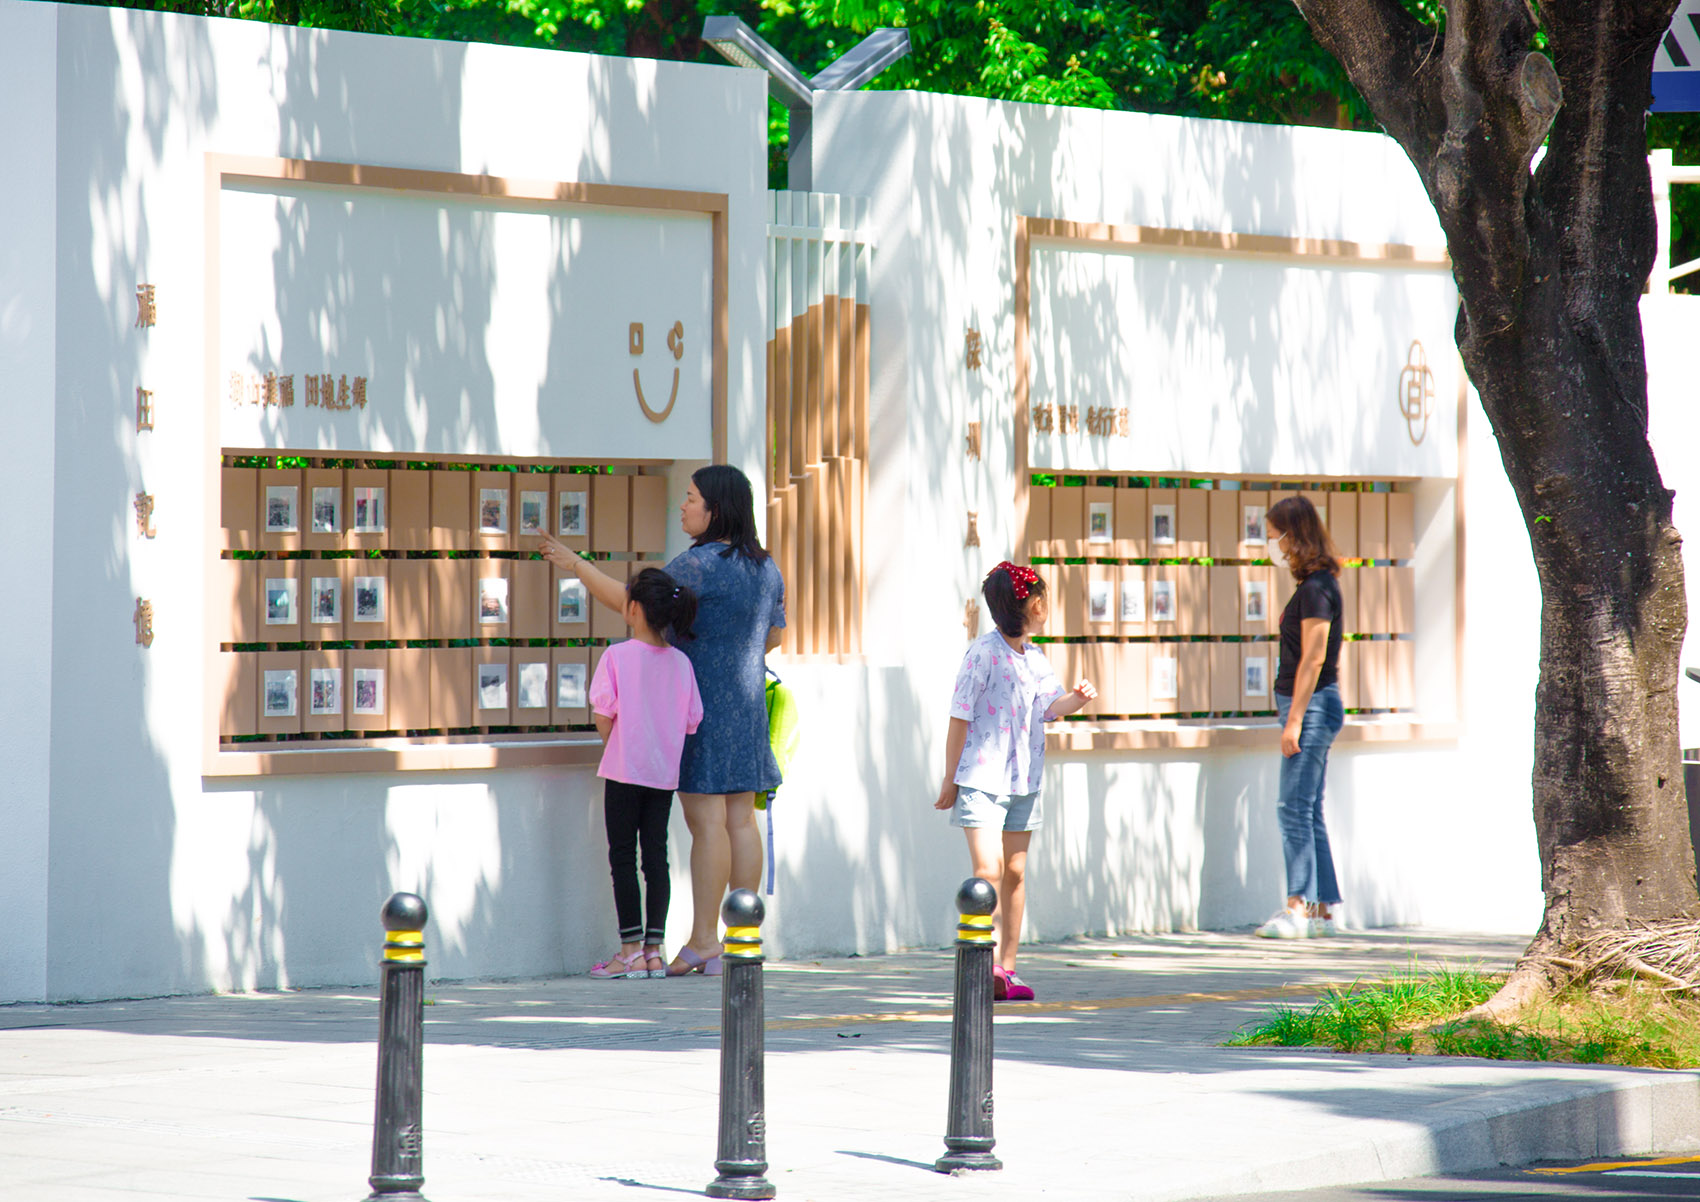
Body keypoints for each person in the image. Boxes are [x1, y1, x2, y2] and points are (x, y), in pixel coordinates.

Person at [542, 466, 785, 977]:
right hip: (748, 705)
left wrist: (575, 564)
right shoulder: (765, 568)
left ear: (714, 508)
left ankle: (702, 941)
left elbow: (635, 604)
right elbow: (775, 637)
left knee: (706, 823)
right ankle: (740, 938)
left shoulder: (697, 565)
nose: (683, 507)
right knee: (742, 819)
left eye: (691, 499)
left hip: (697, 707)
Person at [934, 562, 1096, 1000]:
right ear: (1032, 604)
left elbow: (1050, 707)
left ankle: (1008, 969)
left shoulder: (1036, 657)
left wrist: (1076, 700)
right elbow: (959, 717)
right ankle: (980, 965)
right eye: (1042, 597)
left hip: (1024, 780)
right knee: (987, 870)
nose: (1046, 604)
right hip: (982, 780)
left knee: (1016, 872)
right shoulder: (981, 654)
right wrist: (950, 781)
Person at [584, 568, 703, 979]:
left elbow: (604, 714)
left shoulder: (616, 657)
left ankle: (628, 950)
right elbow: (692, 720)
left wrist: (618, 745)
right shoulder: (682, 663)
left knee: (623, 858)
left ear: (632, 608)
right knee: (656, 859)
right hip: (663, 775)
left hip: (623, 770)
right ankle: (655, 950)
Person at [1255, 496, 1347, 939]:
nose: (1274, 544)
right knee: (1308, 809)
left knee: (1292, 808)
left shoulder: (1316, 589)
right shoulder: (1316, 584)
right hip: (1311, 705)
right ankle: (1323, 911)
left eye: (1276, 535)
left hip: (1310, 706)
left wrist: (1294, 720)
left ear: (1295, 535)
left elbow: (1313, 658)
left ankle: (1298, 908)